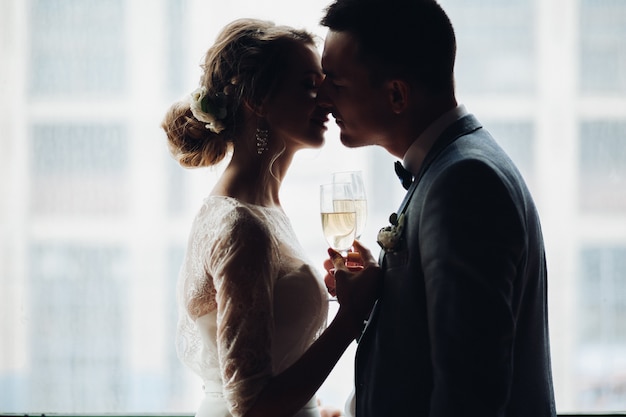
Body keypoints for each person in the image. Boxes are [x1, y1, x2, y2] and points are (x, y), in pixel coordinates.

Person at [317, 0, 558, 416]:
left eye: (335, 83)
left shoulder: (464, 181)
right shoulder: (452, 166)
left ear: (396, 94)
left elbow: (469, 389)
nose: (321, 97)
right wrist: (378, 303)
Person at [161, 18, 379, 417]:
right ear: (258, 100)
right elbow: (253, 406)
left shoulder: (263, 210)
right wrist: (351, 317)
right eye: (309, 86)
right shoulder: (242, 227)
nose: (327, 100)